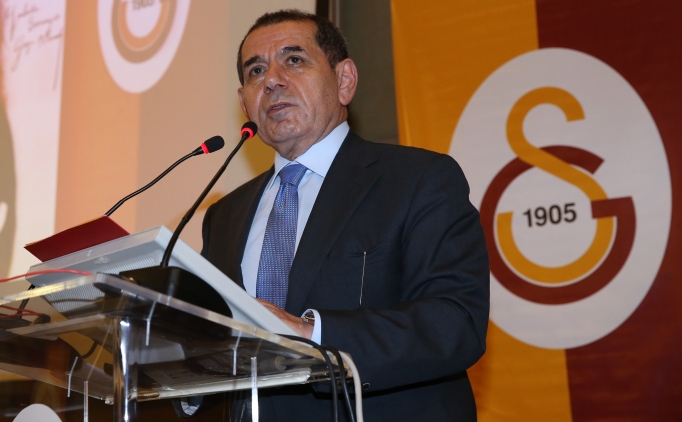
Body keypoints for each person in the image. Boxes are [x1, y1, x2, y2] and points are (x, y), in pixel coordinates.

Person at [201, 9, 490, 421]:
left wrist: (312, 333)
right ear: (244, 102)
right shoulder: (225, 215)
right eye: (256, 71)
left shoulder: (417, 179)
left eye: (294, 60)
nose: (272, 81)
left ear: (345, 80)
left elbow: (454, 322)